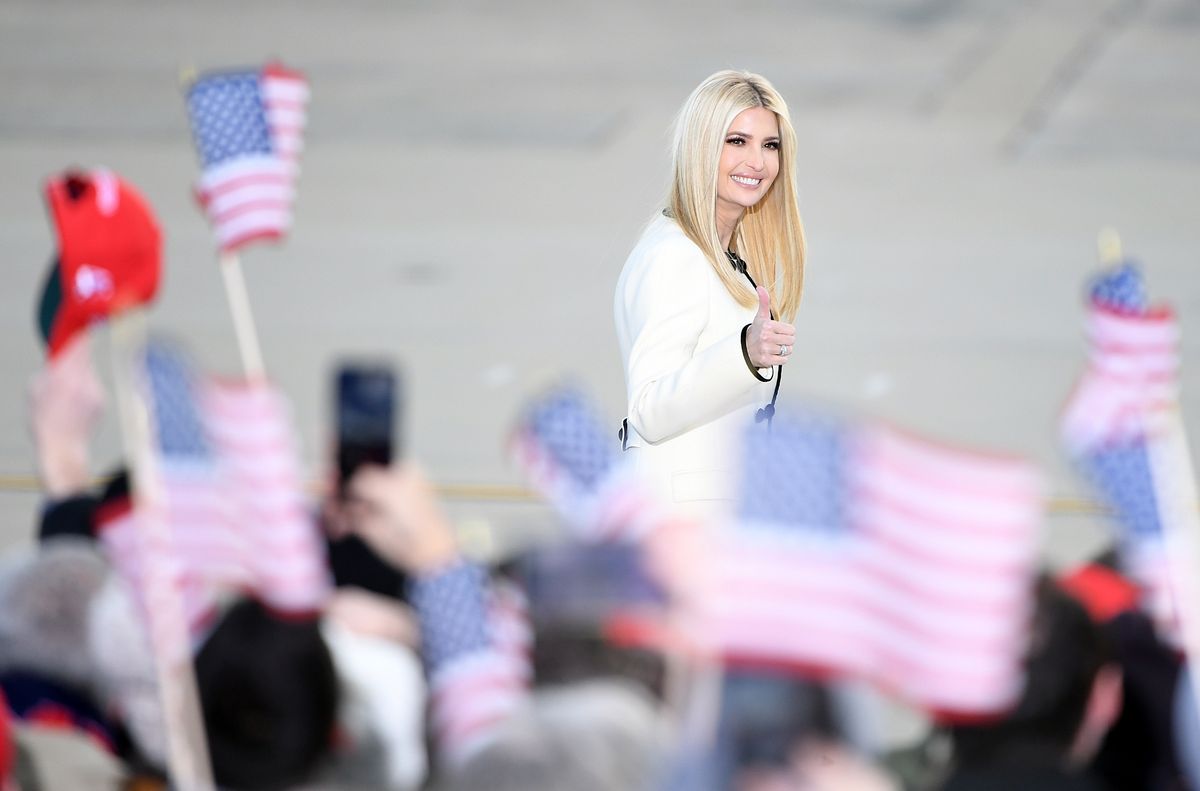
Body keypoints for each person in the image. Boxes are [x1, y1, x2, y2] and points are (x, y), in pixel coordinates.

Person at [614, 69, 806, 515]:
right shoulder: (676, 256)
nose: (757, 162)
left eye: (769, 145)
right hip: (687, 526)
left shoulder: (716, 250)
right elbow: (649, 411)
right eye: (736, 141)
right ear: (701, 147)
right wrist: (745, 352)